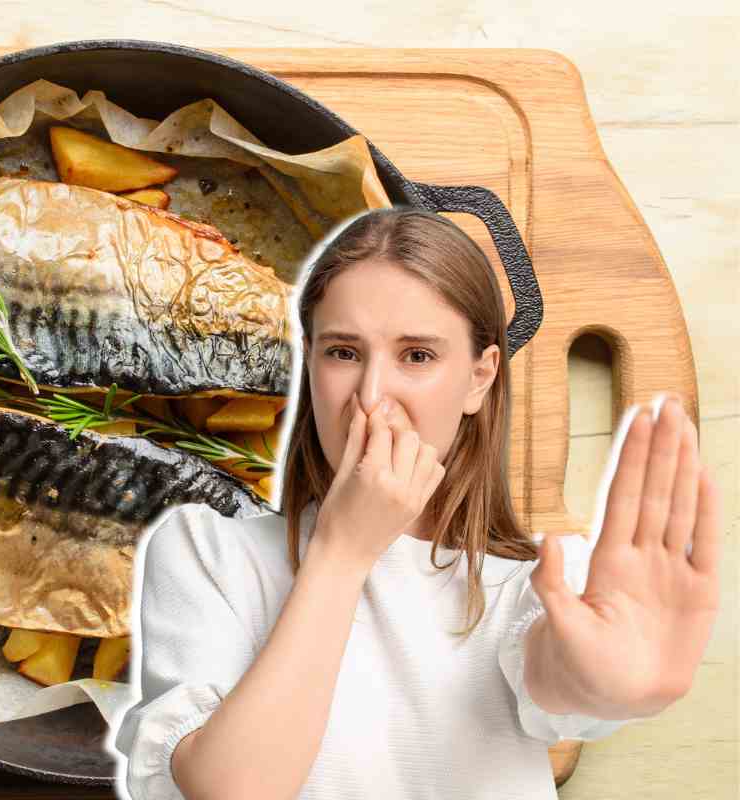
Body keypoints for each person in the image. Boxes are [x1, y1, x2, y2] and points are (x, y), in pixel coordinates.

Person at [108, 207, 721, 800]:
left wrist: (606, 683)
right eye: (343, 352)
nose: (372, 397)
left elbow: (560, 669)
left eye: (417, 356)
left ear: (480, 378)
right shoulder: (208, 551)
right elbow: (234, 790)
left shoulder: (529, 590)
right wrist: (343, 553)